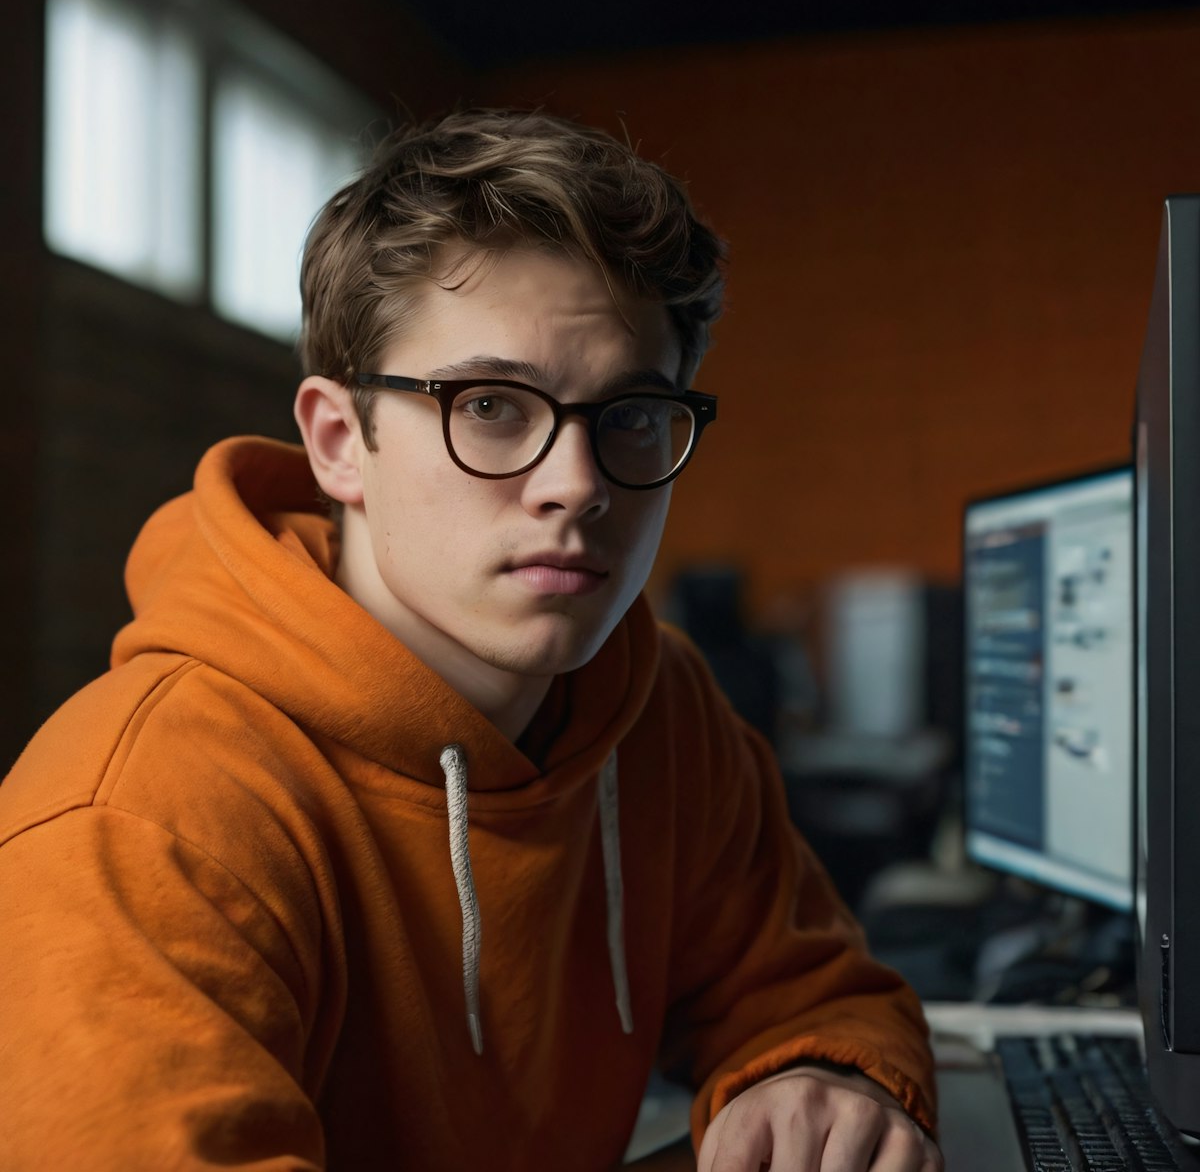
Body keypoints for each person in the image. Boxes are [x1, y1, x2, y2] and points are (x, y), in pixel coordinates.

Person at [0, 108, 941, 1171]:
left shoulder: (657, 705)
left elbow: (808, 990)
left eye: (633, 414)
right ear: (339, 442)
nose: (576, 485)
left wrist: (824, 1076)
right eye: (492, 405)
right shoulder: (141, 820)